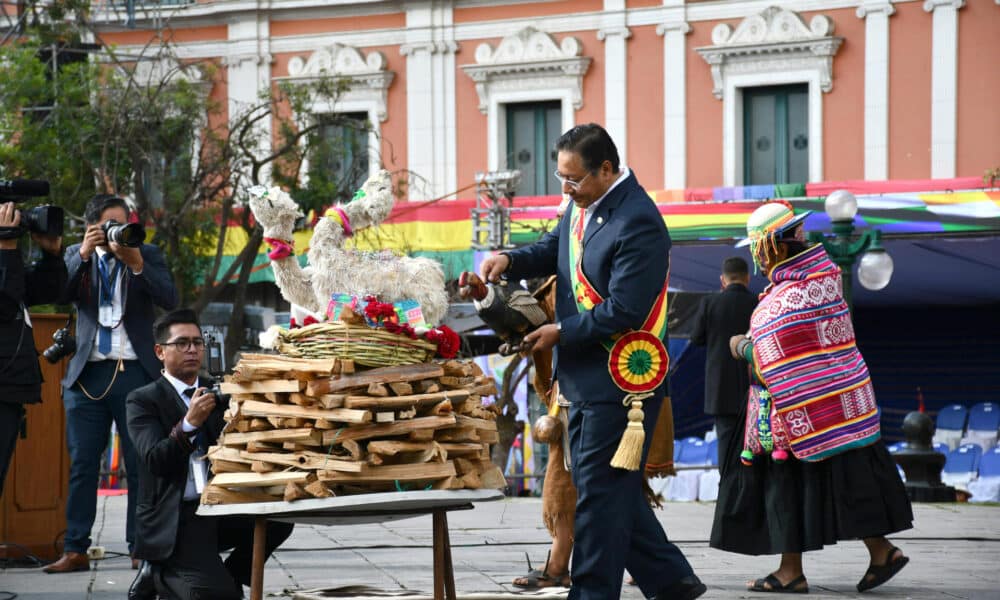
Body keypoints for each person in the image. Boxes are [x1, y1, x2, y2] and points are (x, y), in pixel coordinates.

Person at [481, 123, 705, 600]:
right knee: (606, 488)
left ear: (607, 169)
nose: (566, 189)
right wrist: (510, 260)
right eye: (562, 178)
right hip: (582, 378)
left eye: (574, 179)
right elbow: (554, 250)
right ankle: (673, 582)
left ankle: (591, 592)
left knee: (600, 500)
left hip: (619, 384)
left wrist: (559, 331)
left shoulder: (638, 220)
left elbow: (623, 308)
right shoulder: (584, 204)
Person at [712, 201, 912, 593]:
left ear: (773, 247)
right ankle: (881, 551)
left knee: (786, 486)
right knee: (837, 480)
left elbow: (776, 351)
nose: (759, 259)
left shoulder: (790, 294)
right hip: (837, 403)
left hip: (798, 412)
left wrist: (742, 348)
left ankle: (792, 572)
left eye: (759, 250)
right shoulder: (821, 278)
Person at [45, 194, 179, 573]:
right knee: (83, 464)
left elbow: (170, 298)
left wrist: (137, 266)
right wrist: (85, 255)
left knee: (141, 464)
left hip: (137, 372)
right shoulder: (77, 253)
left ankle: (141, 547)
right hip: (88, 374)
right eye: (110, 225)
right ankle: (75, 548)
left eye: (124, 223)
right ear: (93, 227)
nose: (119, 232)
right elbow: (58, 296)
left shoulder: (145, 255)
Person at [125, 309, 293, 599]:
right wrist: (188, 425)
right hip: (177, 517)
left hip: (218, 508)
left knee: (279, 520)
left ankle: (227, 575)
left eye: (197, 342)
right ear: (160, 352)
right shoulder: (142, 400)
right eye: (182, 343)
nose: (192, 349)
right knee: (220, 596)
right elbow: (155, 459)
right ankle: (159, 571)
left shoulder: (216, 392)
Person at [0, 201, 66, 497]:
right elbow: (4, 305)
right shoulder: (6, 254)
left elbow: (46, 292)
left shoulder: (8, 258)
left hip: (9, 386)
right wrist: (6, 248)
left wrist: (51, 255)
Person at [690, 256, 757, 465]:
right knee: (752, 442)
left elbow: (696, 338)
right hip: (752, 386)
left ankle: (726, 492)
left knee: (726, 444)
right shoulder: (758, 303)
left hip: (720, 388)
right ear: (747, 278)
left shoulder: (710, 303)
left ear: (722, 280)